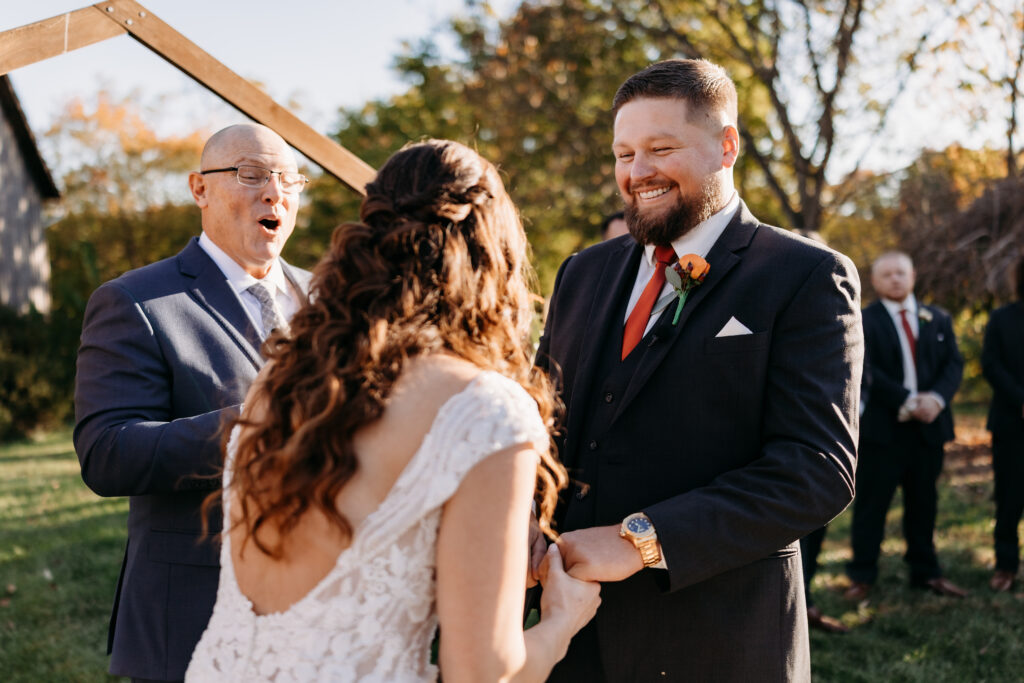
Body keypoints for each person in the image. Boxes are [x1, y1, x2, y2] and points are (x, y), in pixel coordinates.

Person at [185, 139, 601, 682]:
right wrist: (562, 622)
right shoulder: (485, 409)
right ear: (492, 254)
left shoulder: (281, 378)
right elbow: (481, 674)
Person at [536, 58, 863, 682]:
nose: (637, 172)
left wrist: (641, 539)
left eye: (661, 149)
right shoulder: (582, 272)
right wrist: (526, 516)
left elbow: (816, 470)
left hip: (718, 635)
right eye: (624, 153)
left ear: (726, 146)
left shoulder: (805, 275)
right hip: (569, 631)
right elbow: (541, 422)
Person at [74, 123, 312, 681]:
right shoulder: (135, 301)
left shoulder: (332, 297)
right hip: (194, 620)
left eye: (289, 179)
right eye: (252, 174)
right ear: (200, 189)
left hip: (322, 619)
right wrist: (259, 425)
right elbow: (108, 453)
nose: (274, 193)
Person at [844, 251, 967, 600]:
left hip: (929, 429)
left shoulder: (937, 318)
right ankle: (862, 574)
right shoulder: (862, 319)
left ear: (913, 276)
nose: (895, 279)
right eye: (887, 274)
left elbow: (953, 364)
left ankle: (926, 572)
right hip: (883, 430)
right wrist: (907, 401)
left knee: (924, 502)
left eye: (901, 272)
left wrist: (936, 400)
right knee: (872, 504)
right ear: (875, 281)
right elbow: (865, 368)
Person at [982, 257, 1024, 592]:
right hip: (1011, 423)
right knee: (1009, 498)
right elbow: (991, 365)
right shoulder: (1002, 318)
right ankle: (1005, 566)